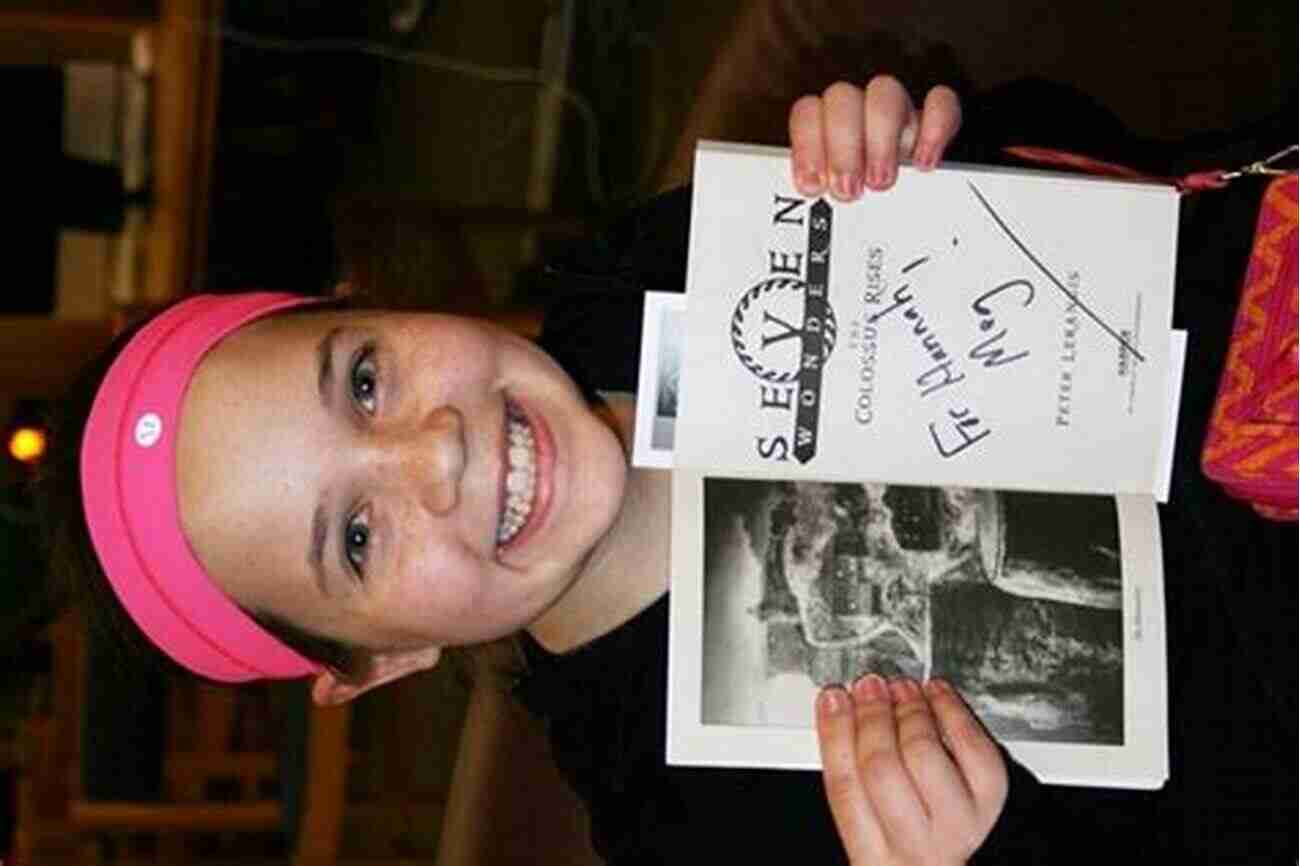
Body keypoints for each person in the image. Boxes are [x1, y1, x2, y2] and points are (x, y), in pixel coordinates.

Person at [39, 65, 1296, 865]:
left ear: (366, 301)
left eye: (364, 378)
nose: (435, 449)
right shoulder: (691, 819)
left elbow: (1119, 160)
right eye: (355, 538)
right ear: (378, 662)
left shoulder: (657, 265)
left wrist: (943, 149)